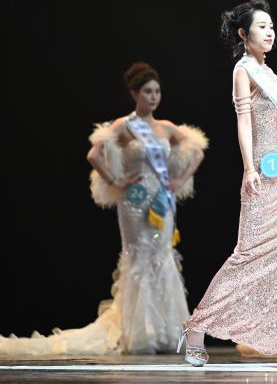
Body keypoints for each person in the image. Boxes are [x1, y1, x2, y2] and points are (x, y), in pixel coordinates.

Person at [0, 62, 207, 355]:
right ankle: (140, 333)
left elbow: (197, 150)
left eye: (157, 91)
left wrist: (181, 179)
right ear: (134, 93)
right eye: (147, 92)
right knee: (139, 257)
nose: (153, 97)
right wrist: (115, 180)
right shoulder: (124, 125)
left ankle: (166, 331)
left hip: (162, 202)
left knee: (162, 256)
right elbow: (94, 154)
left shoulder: (166, 127)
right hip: (135, 202)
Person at [177, 0, 277, 368]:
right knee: (248, 255)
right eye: (261, 27)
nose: (269, 32)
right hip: (262, 177)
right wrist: (248, 168)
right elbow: (243, 121)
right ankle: (198, 326)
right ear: (243, 33)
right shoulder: (244, 70)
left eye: (271, 26)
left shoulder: (270, 73)